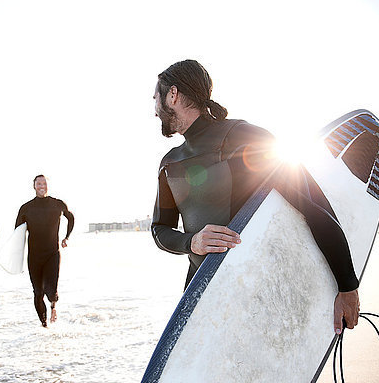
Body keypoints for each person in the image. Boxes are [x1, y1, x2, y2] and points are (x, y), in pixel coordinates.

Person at [150, 59, 360, 335]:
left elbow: (314, 206)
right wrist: (193, 242)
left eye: (155, 98)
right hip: (202, 298)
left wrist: (347, 287)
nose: (154, 110)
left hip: (259, 297)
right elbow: (160, 229)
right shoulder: (170, 163)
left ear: (172, 95)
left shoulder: (244, 137)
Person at [15, 175, 74, 327]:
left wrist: (66, 237)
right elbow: (17, 234)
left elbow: (71, 217)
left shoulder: (57, 204)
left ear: (47, 185)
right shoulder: (26, 208)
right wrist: (15, 259)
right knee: (37, 293)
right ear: (34, 186)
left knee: (50, 290)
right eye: (38, 183)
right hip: (34, 256)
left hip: (52, 254)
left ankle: (53, 306)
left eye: (44, 183)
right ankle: (44, 326)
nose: (42, 186)